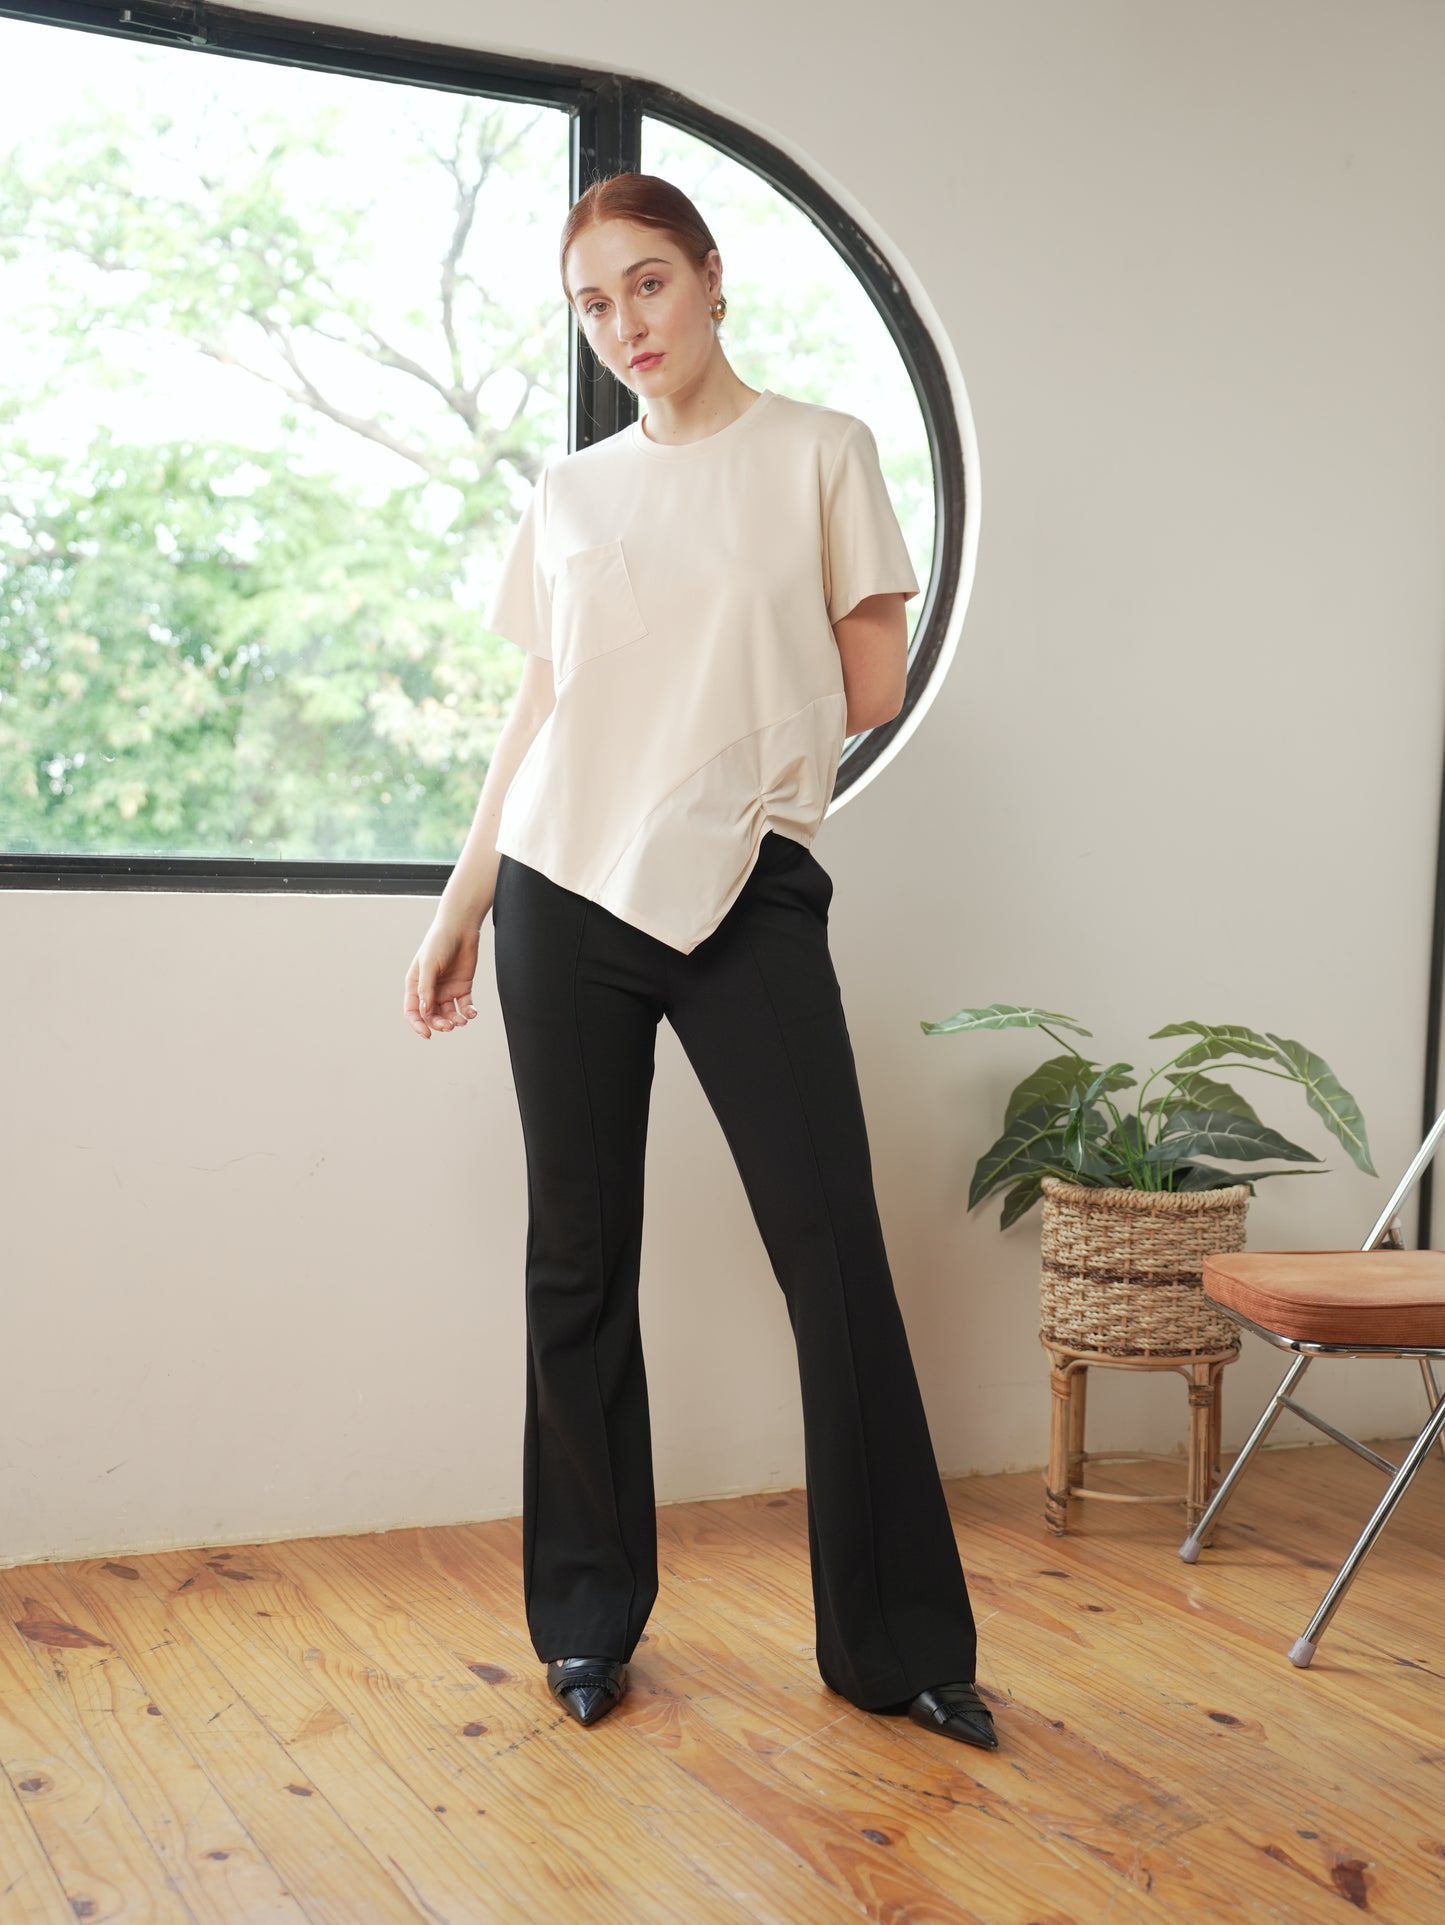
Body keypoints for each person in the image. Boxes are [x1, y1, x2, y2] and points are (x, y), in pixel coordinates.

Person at [403, 172, 995, 1752]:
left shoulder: (819, 452)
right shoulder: (572, 492)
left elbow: (868, 681)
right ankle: (585, 1618)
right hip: (561, 887)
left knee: (831, 1252)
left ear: (712, 277)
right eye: (593, 305)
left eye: (648, 284)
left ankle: (897, 1645)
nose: (625, 325)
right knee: (577, 1254)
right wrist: (460, 903)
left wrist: (717, 753)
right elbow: (540, 713)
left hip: (745, 882)